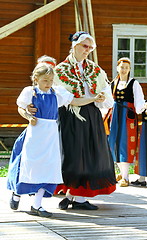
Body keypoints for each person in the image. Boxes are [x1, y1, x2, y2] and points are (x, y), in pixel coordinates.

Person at [7, 62, 104, 217]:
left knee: (47, 167)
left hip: (50, 135)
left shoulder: (57, 92)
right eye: (45, 80)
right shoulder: (30, 92)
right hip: (35, 133)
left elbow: (75, 101)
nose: (49, 83)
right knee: (28, 165)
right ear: (36, 79)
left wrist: (93, 98)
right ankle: (16, 193)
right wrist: (28, 115)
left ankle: (37, 205)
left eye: (51, 80)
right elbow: (21, 107)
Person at [52, 31, 116, 210]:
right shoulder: (60, 70)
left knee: (90, 156)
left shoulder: (96, 69)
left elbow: (108, 97)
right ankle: (71, 193)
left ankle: (77, 197)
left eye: (90, 47)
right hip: (70, 116)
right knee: (73, 156)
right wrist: (94, 97)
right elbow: (67, 98)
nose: (87, 50)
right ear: (74, 45)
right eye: (84, 46)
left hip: (92, 115)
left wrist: (103, 98)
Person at [108, 57, 145, 187]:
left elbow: (139, 100)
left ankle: (126, 177)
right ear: (117, 68)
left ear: (129, 70)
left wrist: (141, 109)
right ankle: (120, 173)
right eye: (121, 67)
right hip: (115, 115)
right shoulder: (113, 83)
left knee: (126, 143)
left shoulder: (134, 83)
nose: (123, 70)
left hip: (127, 116)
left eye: (126, 68)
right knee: (114, 142)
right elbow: (107, 101)